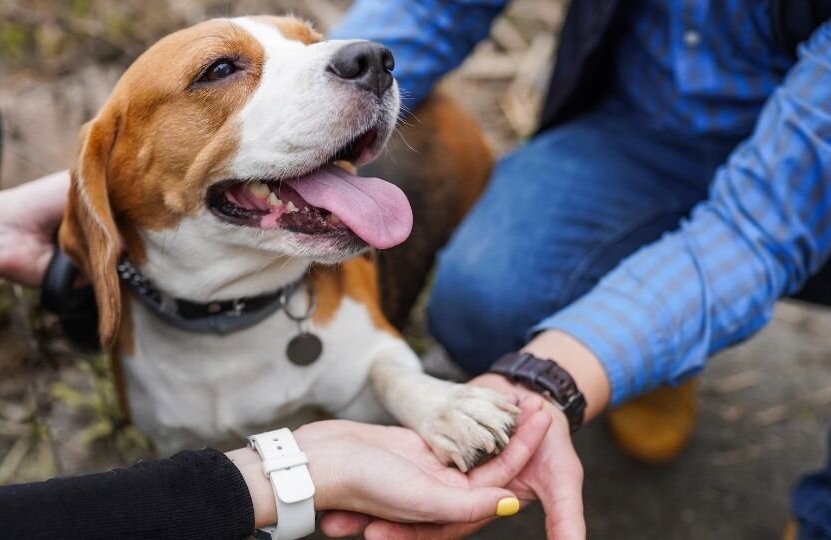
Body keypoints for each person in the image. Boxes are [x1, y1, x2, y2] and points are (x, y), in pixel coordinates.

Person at [0, 42, 557, 539]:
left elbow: (380, 361)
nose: (362, 61)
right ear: (113, 169)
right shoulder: (111, 262)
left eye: (305, 44)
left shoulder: (332, 241)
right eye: (222, 70)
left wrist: (413, 392)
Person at [327, 0, 831, 538]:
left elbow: (756, 231)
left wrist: (549, 378)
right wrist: (313, 102)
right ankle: (649, 359)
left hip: (807, 183)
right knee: (484, 300)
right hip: (636, 136)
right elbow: (435, 10)